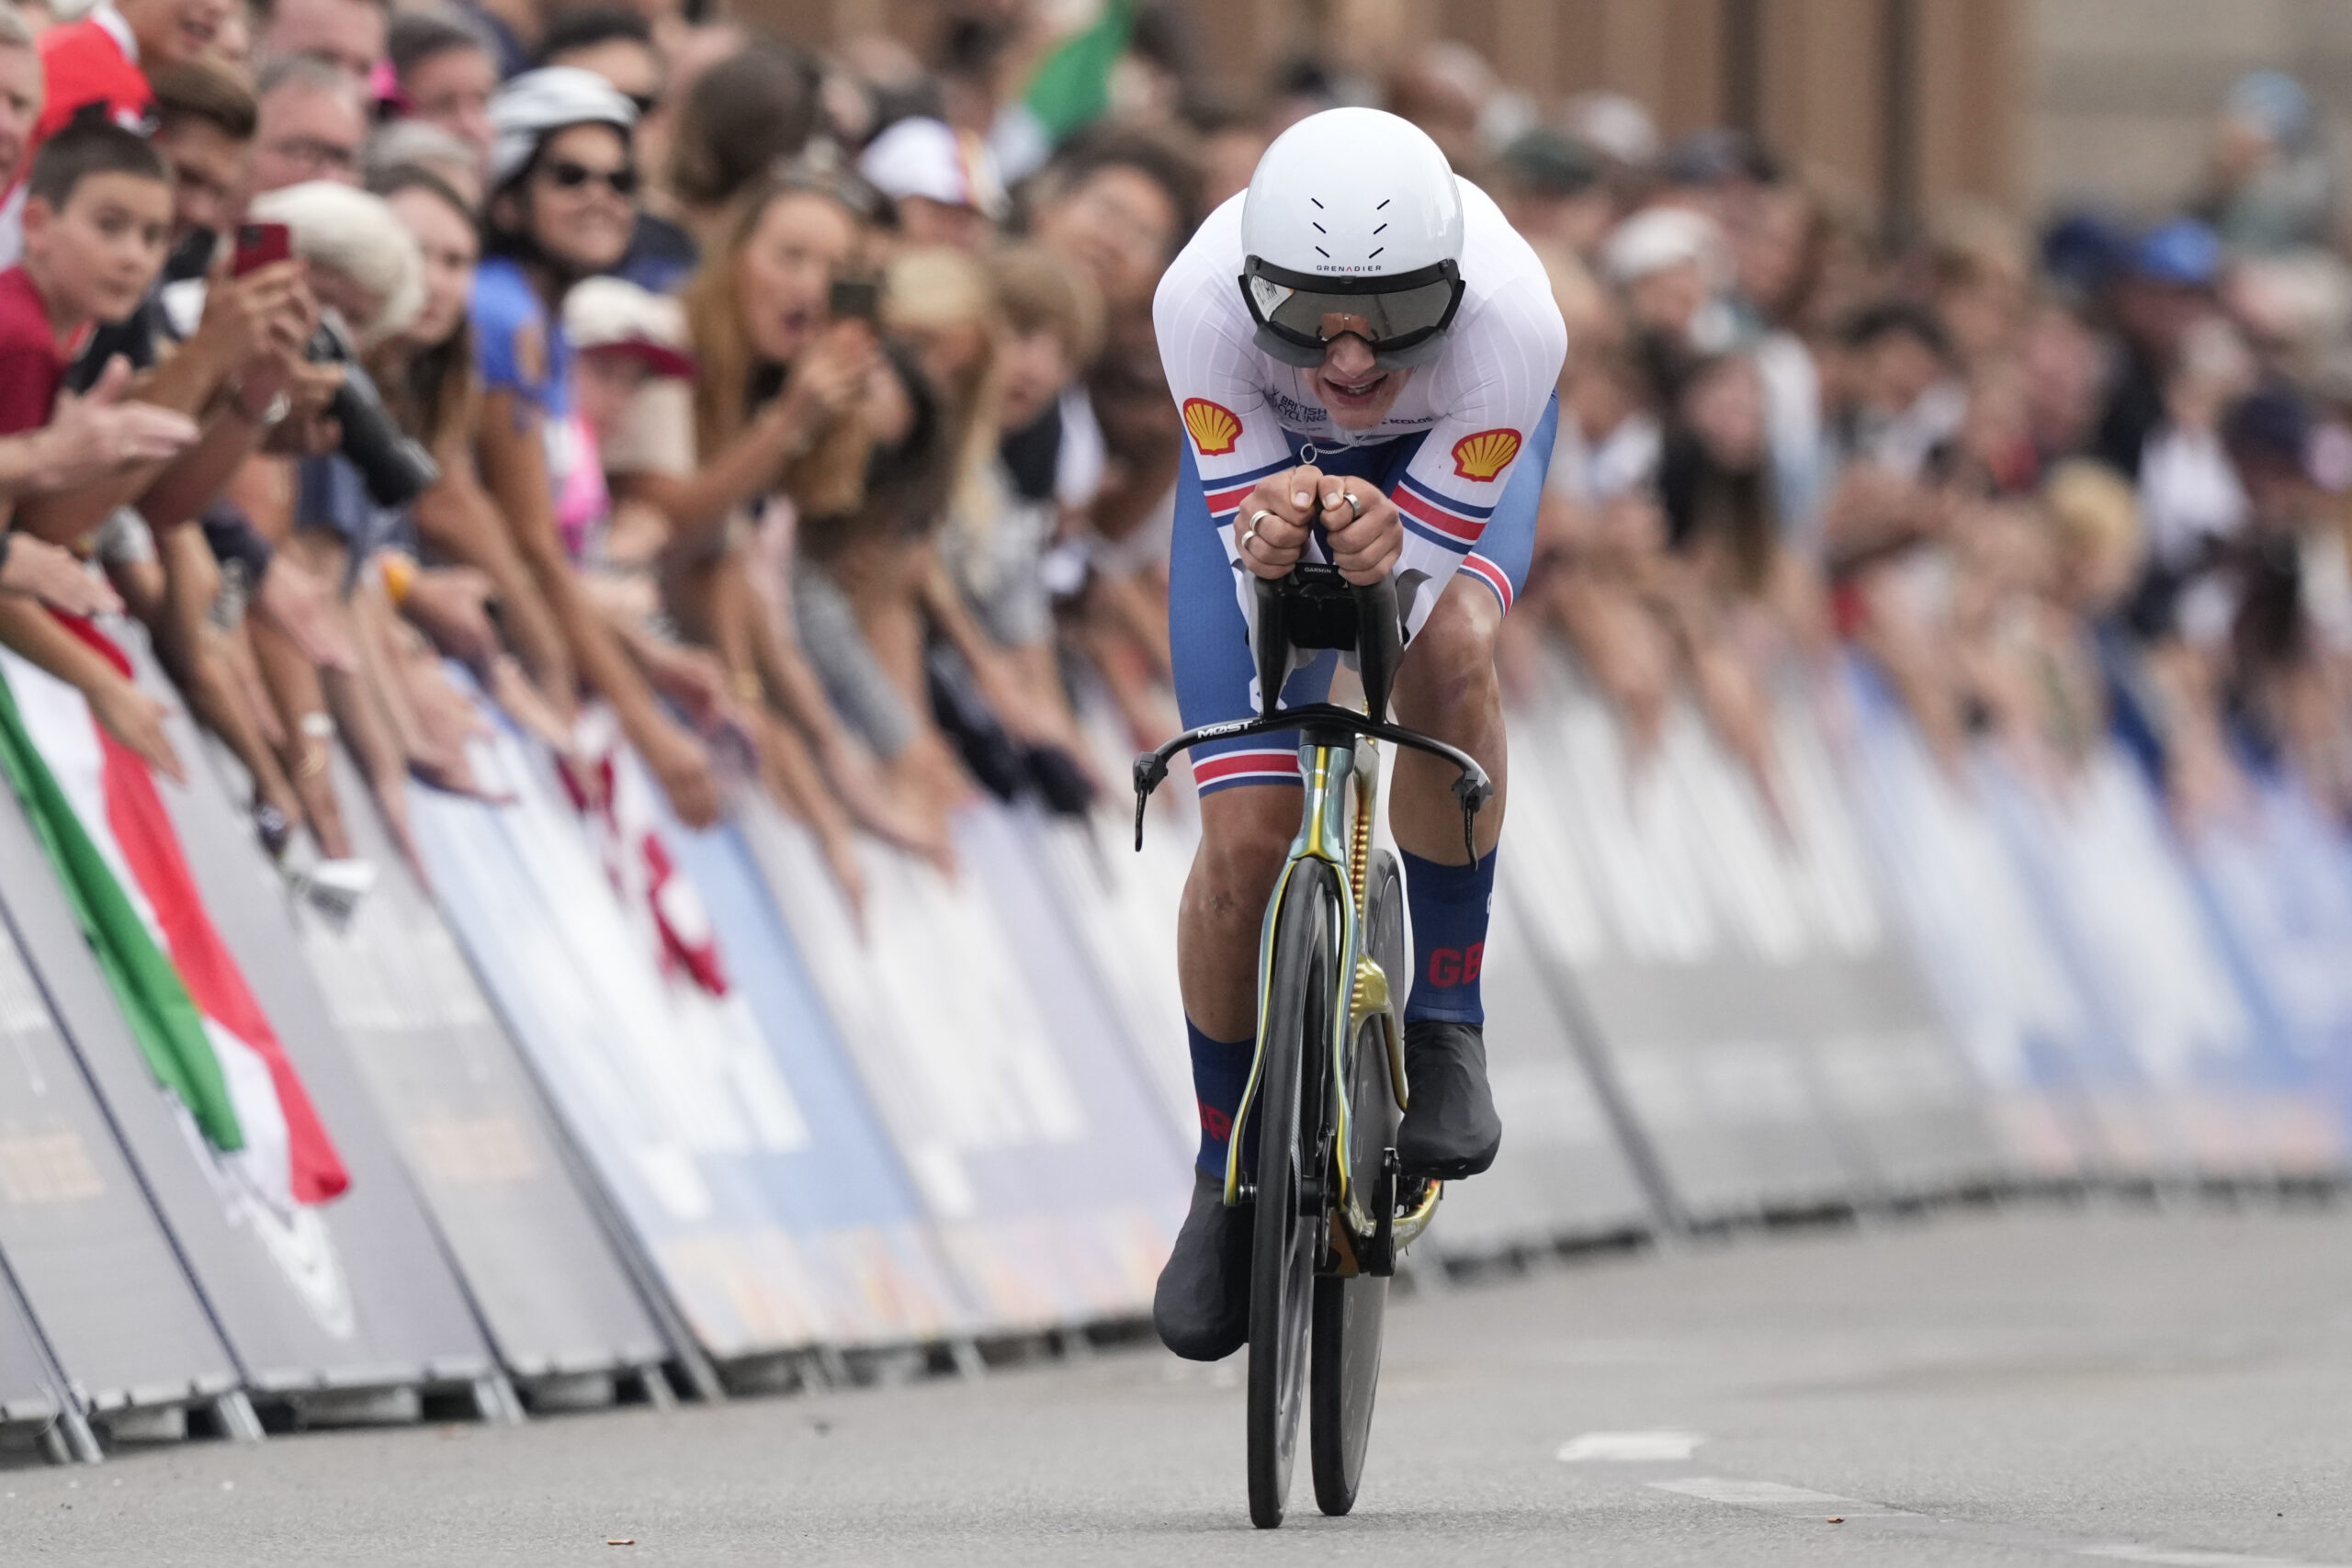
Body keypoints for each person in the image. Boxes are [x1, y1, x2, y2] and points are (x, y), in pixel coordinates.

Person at [1148, 107, 1565, 1359]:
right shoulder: (1198, 305)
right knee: (1248, 835)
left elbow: (1410, 593)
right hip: (1262, 477)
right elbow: (1260, 582)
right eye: (1312, 318)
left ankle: (1447, 1019)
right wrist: (1273, 535)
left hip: (1446, 467)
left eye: (1387, 321)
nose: (1344, 361)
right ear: (1253, 287)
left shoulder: (1511, 322)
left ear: (1446, 290)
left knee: (1447, 649)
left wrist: (1388, 545)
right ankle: (1225, 1169)